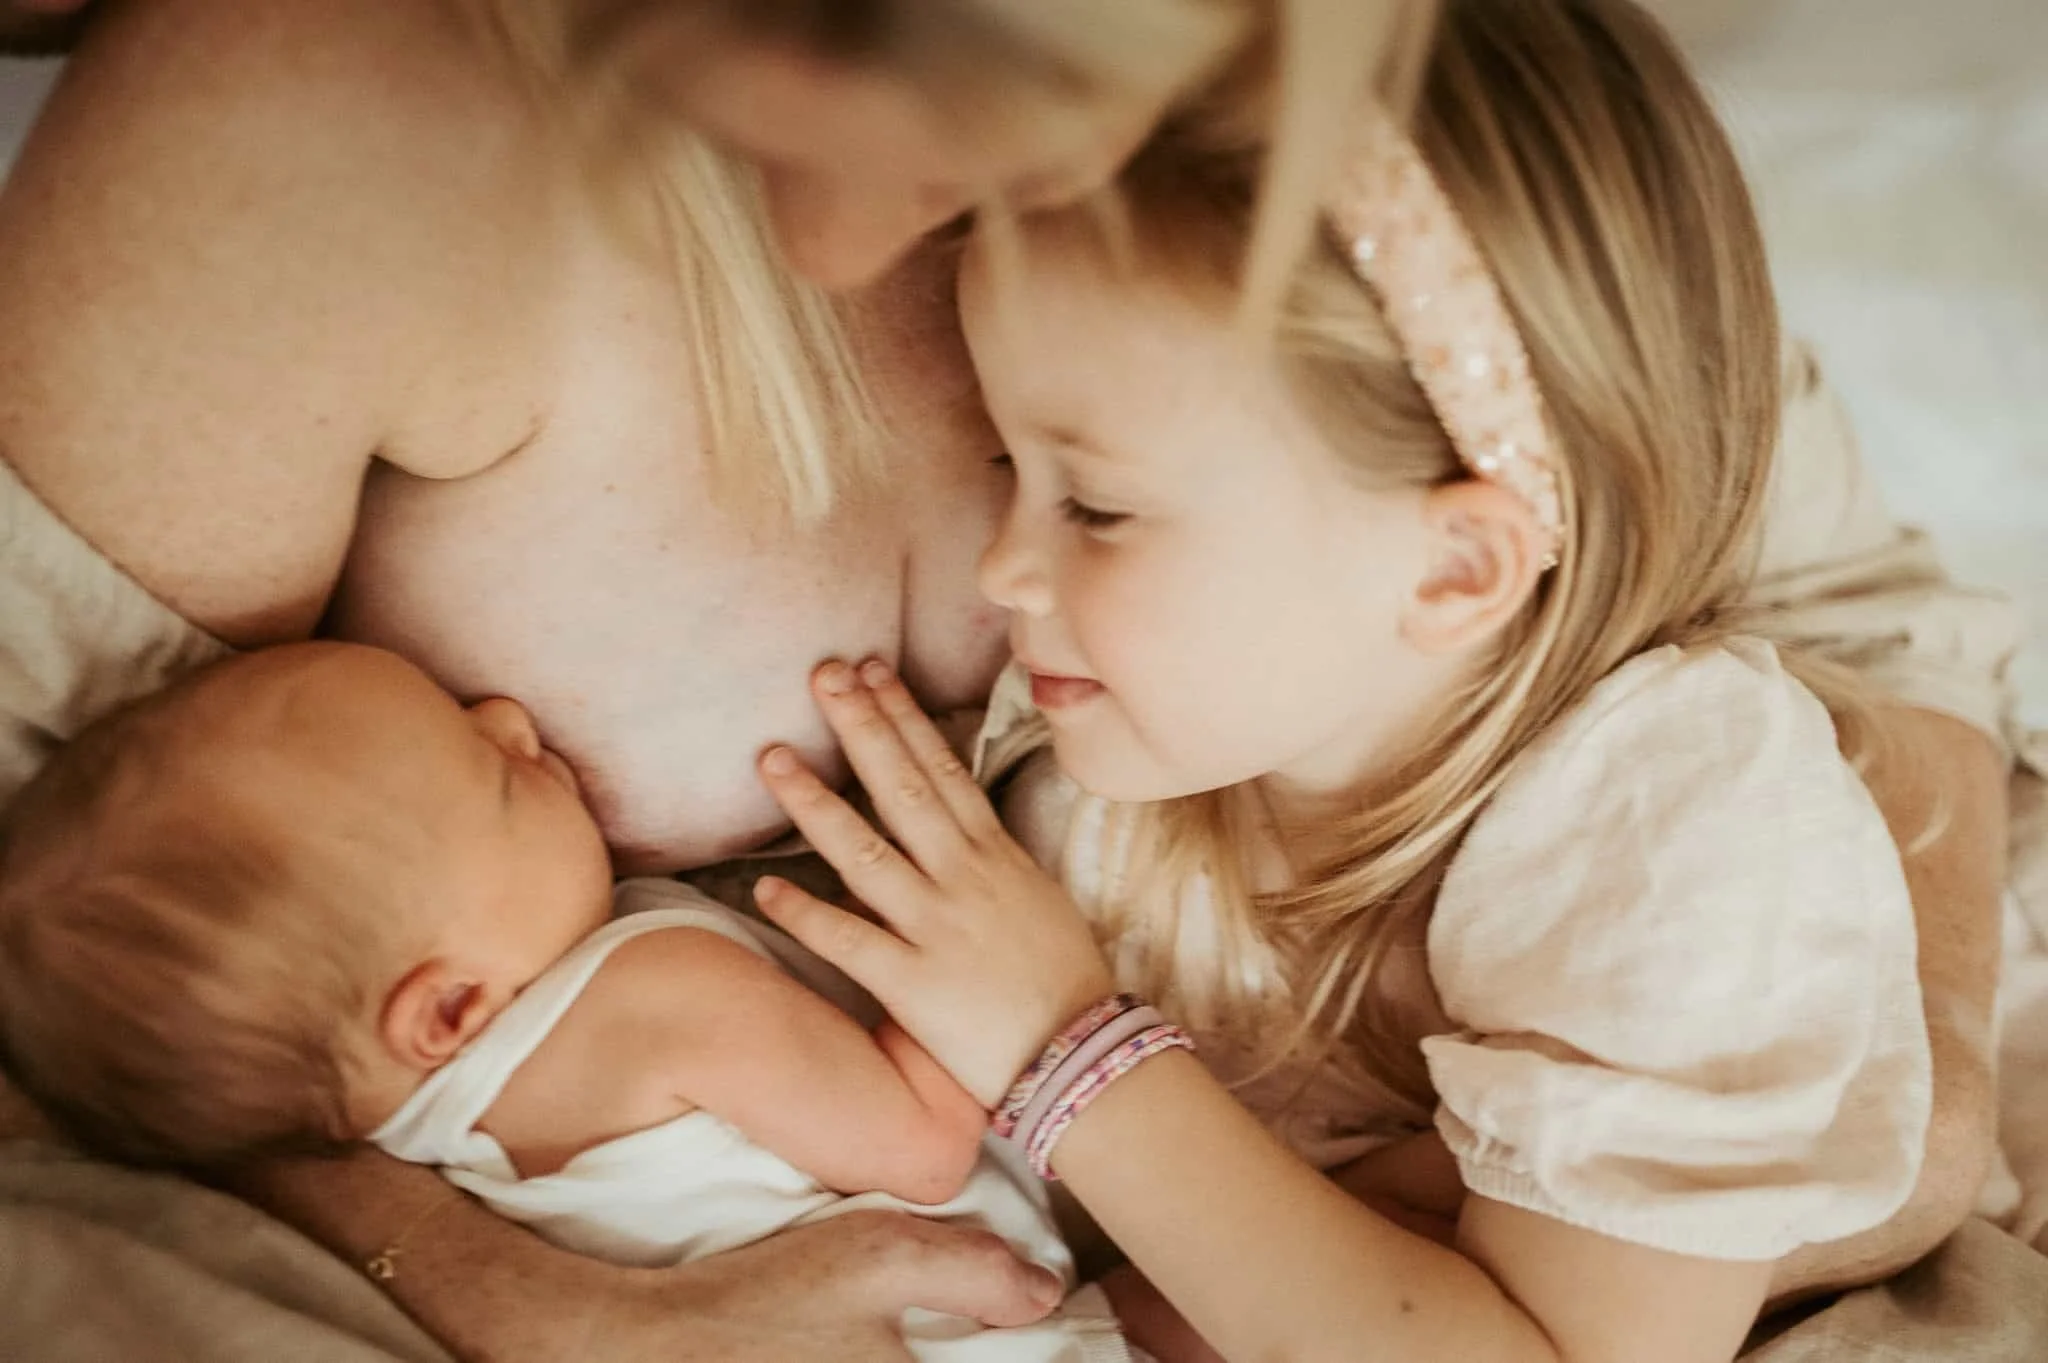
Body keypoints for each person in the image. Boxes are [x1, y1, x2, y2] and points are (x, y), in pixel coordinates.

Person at [0, 0, 2020, 1359]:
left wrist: (1831, 1117)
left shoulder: (1383, 132)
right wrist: (509, 1294)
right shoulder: (298, 126)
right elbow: (83, 975)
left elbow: (1787, 587)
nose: (996, 570)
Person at [742, 1, 2006, 1358]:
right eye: (1008, 469)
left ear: (1456, 566)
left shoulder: (1671, 845)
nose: (1003, 569)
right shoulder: (1160, 738)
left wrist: (1066, 1047)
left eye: (1095, 506)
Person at [0, 641, 1150, 1362]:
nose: (507, 715)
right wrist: (939, 924)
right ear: (445, 1009)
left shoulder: (405, 1124)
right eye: (493, 773)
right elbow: (925, 1150)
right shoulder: (648, 997)